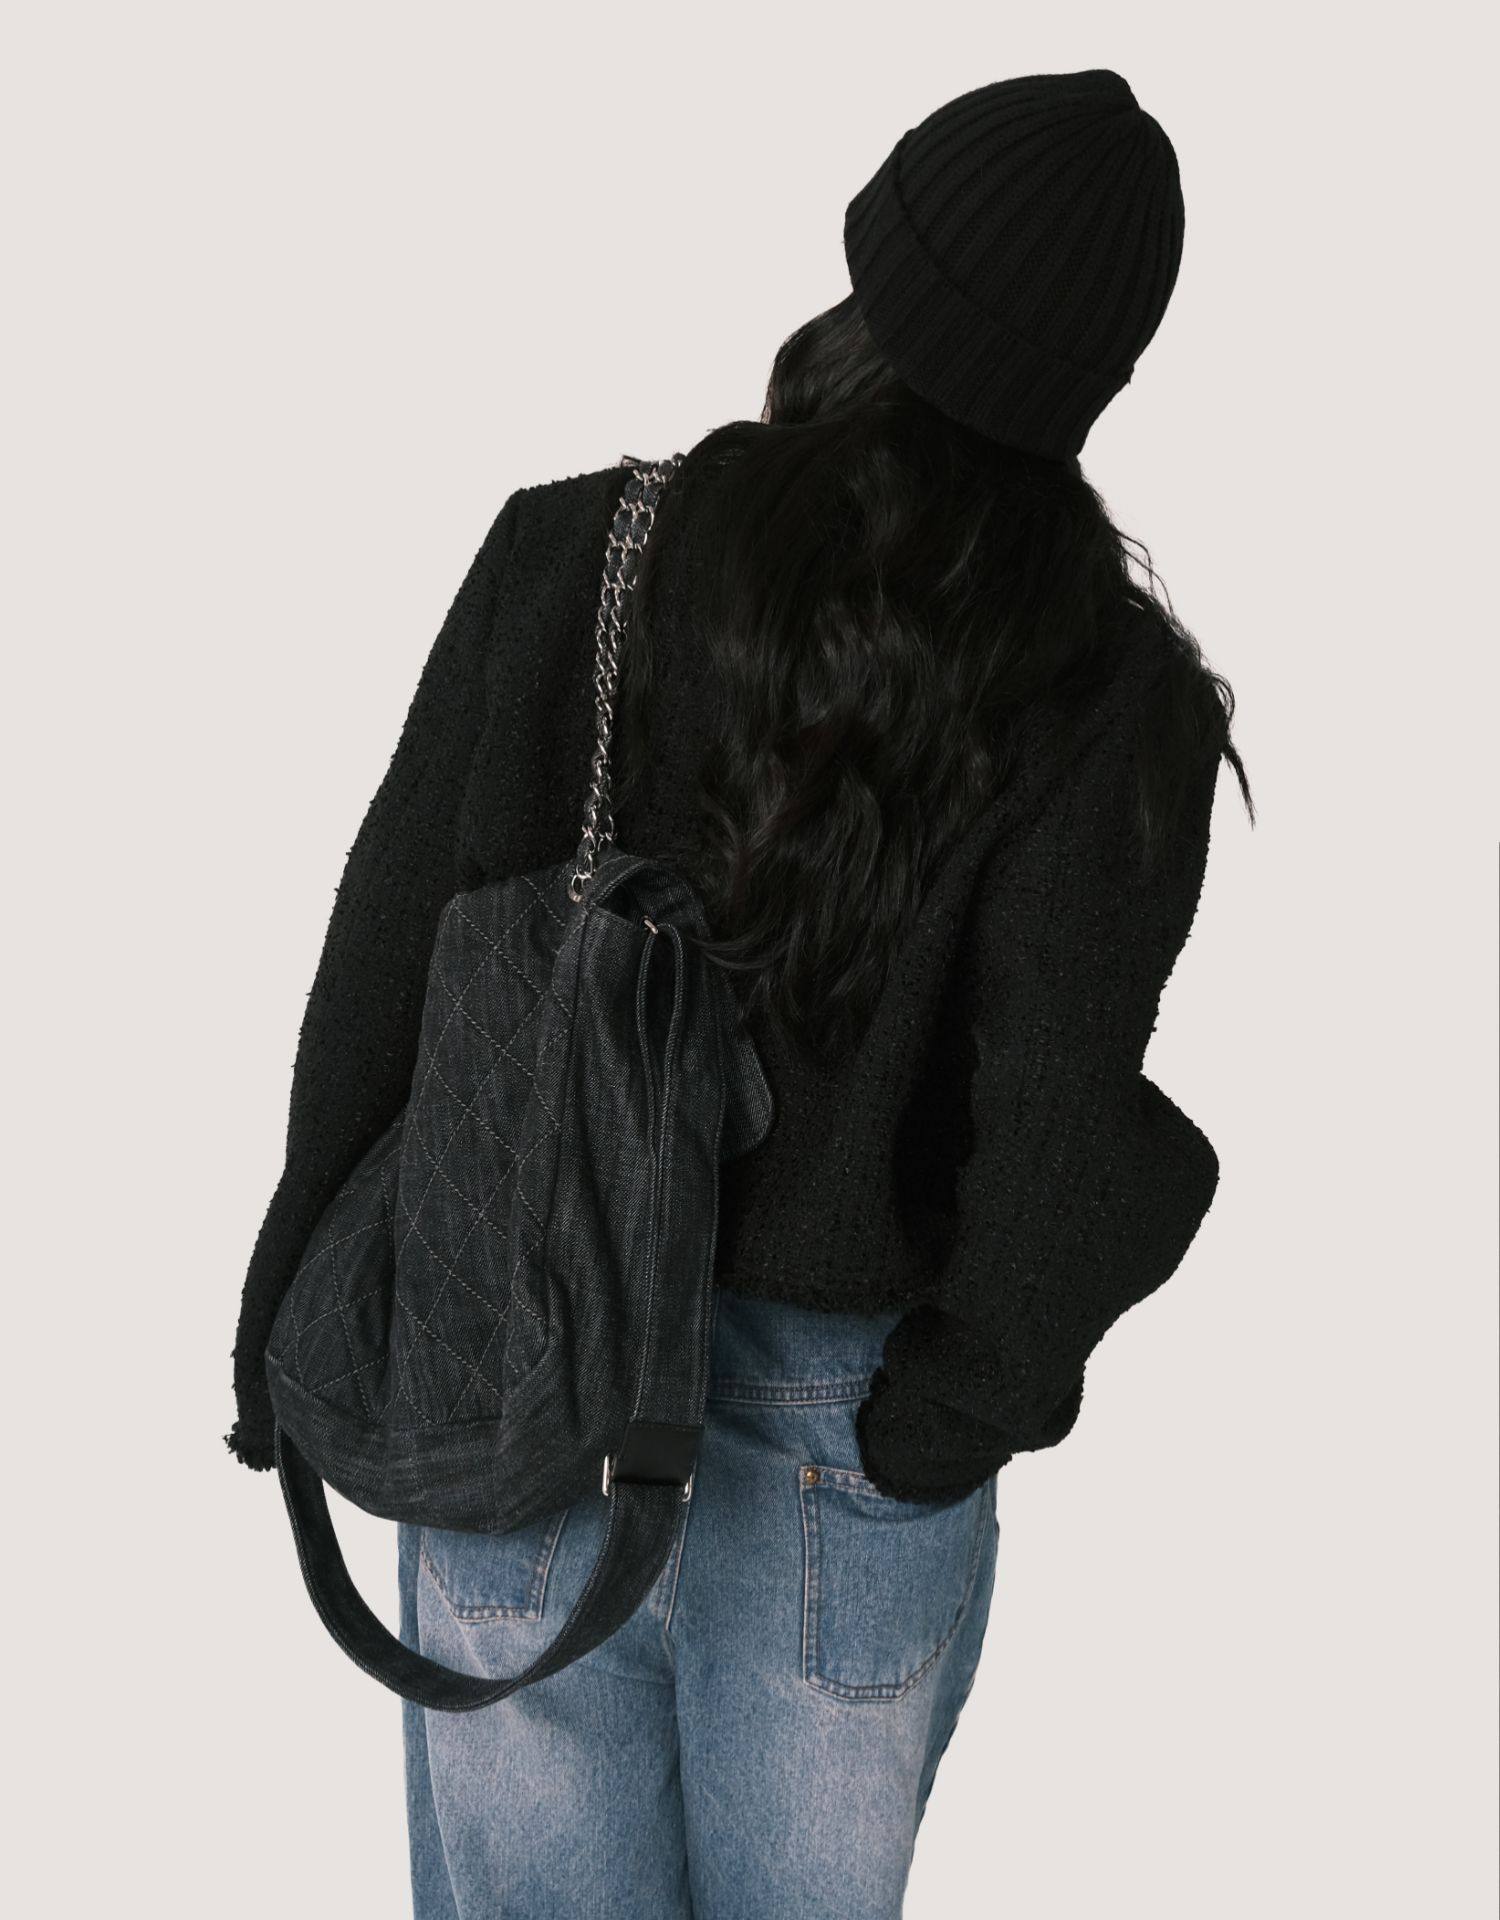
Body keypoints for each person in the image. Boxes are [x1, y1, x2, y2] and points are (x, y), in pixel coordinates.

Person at [229, 68, 1253, 1920]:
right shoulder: (1114, 703)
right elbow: (1053, 1119)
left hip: (509, 1337)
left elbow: (384, 957)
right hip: (845, 1438)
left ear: (878, 255)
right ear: (1094, 375)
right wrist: (948, 1420)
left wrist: (290, 1308)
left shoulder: (582, 555)